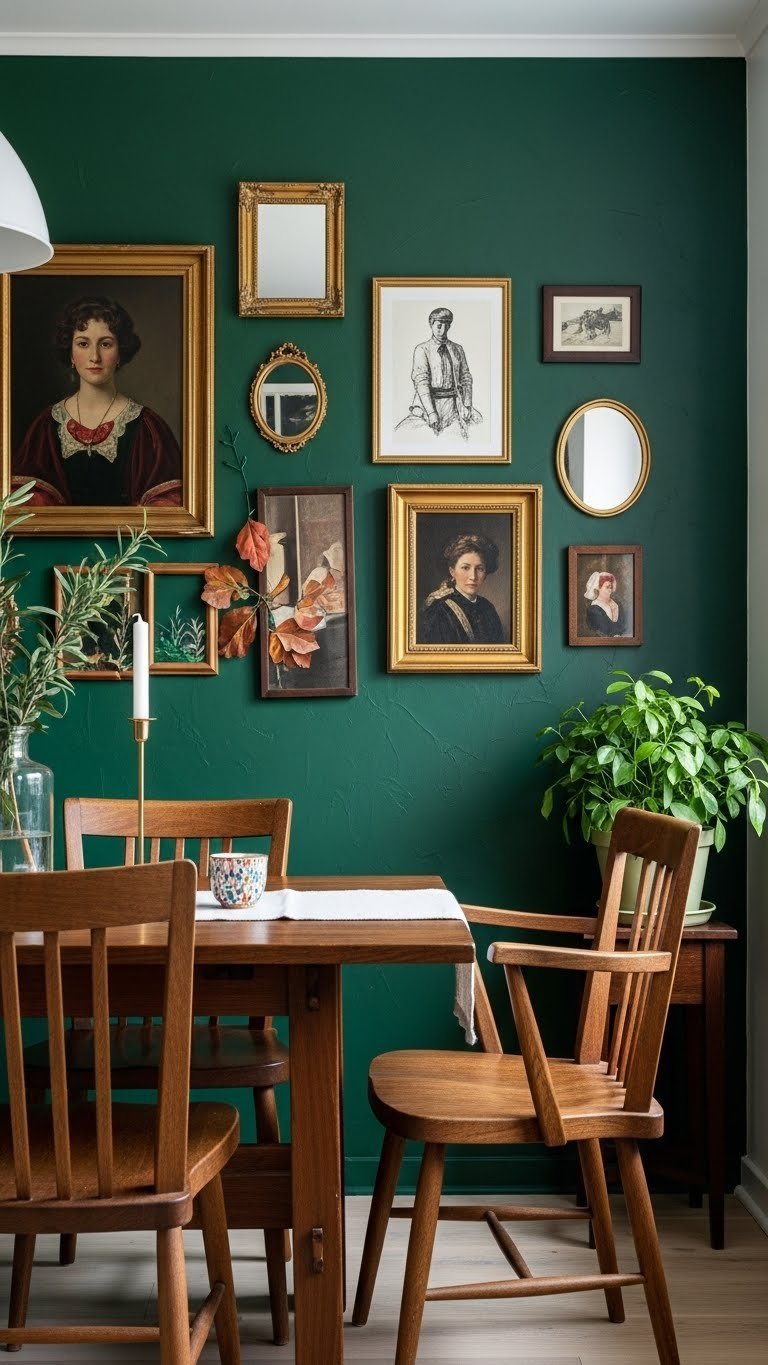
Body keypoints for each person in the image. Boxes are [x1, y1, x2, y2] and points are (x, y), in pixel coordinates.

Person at [12, 295, 182, 507]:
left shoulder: (148, 428)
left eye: (106, 344)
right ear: (71, 354)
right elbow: (24, 506)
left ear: (120, 352)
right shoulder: (46, 425)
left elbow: (170, 506)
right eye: (83, 344)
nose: (95, 356)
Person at [396, 307, 482, 441]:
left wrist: (467, 405)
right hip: (428, 404)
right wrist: (431, 412)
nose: (442, 330)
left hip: (454, 404)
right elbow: (421, 381)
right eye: (439, 325)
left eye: (446, 325)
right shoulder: (422, 349)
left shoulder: (457, 349)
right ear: (431, 325)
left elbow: (466, 377)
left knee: (471, 432)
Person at [418, 533, 504, 644]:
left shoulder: (487, 608)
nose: (473, 576)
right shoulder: (438, 611)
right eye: (465, 568)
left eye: (480, 568)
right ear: (452, 571)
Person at [584, 570, 628, 636]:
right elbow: (602, 630)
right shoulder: (594, 608)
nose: (610, 590)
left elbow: (624, 626)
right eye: (607, 587)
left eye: (611, 587)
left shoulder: (617, 604)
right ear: (598, 588)